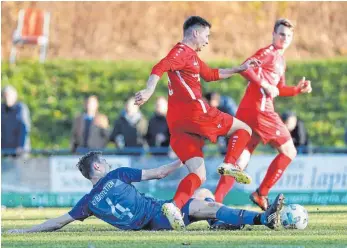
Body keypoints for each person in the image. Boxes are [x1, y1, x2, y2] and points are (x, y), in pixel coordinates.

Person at [134, 16, 261, 221]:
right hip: (195, 114)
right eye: (206, 35)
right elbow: (160, 66)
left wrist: (239, 68)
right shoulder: (182, 52)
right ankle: (230, 164)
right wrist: (149, 90)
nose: (207, 41)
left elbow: (210, 73)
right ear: (195, 33)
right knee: (244, 129)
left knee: (198, 174)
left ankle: (175, 207)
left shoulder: (191, 56)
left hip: (178, 126)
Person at [6, 151, 284, 233]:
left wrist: (23, 232)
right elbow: (160, 172)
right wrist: (186, 157)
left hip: (150, 219)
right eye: (107, 162)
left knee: (204, 193)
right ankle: (263, 219)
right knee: (207, 204)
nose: (110, 164)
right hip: (158, 216)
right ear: (99, 166)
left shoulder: (87, 202)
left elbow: (58, 222)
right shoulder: (116, 175)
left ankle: (219, 224)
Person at [217, 18, 313, 210]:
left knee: (239, 162)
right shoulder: (268, 53)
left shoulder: (280, 59)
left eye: (288, 35)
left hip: (249, 111)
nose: (284, 38)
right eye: (281, 34)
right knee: (289, 151)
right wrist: (265, 84)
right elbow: (245, 67)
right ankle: (262, 193)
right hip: (259, 110)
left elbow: (279, 88)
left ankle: (214, 202)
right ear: (273, 34)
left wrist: (296, 90)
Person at [1, 85, 31, 157]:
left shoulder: (21, 108)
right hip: (5, 150)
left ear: (14, 96)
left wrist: (21, 146)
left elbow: (24, 128)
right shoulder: (2, 109)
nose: (6, 98)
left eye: (8, 95)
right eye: (4, 96)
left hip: (20, 150)